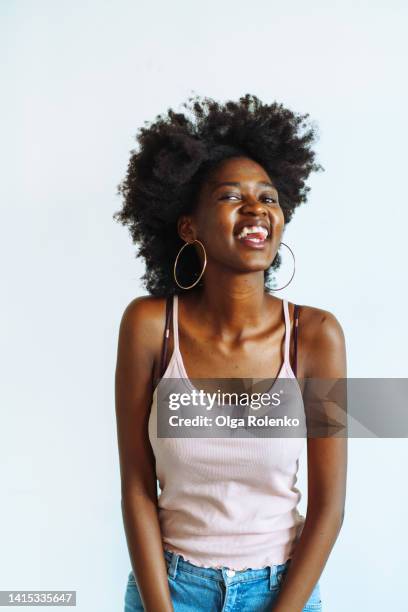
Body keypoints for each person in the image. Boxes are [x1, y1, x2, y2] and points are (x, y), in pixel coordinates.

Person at [113, 93, 347, 611]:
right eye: (229, 197)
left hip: (281, 592)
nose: (256, 209)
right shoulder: (150, 327)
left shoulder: (317, 336)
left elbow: (329, 507)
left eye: (268, 197)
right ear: (188, 227)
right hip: (170, 590)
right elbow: (135, 484)